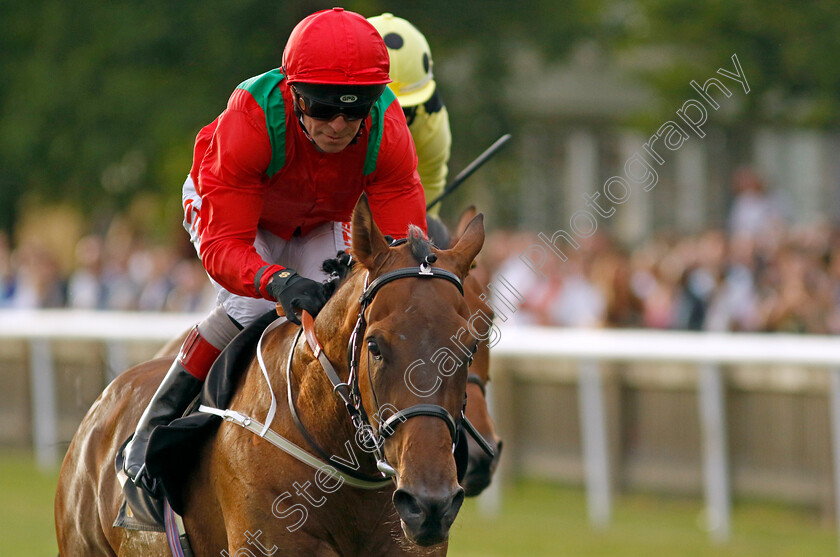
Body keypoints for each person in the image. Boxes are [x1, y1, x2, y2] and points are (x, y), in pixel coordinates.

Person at [123, 7, 427, 493]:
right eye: (324, 108)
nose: (340, 125)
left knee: (353, 305)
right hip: (239, 216)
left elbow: (401, 248)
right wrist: (277, 281)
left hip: (323, 215)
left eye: (355, 109)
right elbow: (226, 247)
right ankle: (151, 428)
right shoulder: (251, 118)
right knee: (251, 304)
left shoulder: (388, 129)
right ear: (295, 94)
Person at [368, 13, 451, 219]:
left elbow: (429, 186)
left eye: (405, 111)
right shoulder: (331, 120)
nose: (392, 121)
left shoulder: (432, 124)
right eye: (378, 108)